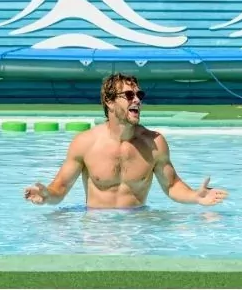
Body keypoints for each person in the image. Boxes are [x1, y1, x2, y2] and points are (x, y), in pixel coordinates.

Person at [24, 73, 228, 210]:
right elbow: (60, 188)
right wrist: (47, 195)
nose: (137, 100)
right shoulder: (85, 143)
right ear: (110, 102)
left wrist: (195, 196)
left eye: (139, 95)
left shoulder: (154, 143)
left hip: (137, 225)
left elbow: (172, 185)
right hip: (97, 226)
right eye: (129, 95)